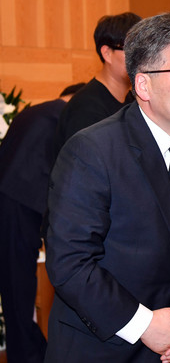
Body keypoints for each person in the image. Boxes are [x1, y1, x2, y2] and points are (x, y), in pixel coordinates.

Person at [44, 12, 170, 363]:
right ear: (143, 85)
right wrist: (143, 323)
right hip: (103, 346)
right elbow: (71, 262)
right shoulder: (93, 150)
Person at [0, 82, 84, 363]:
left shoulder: (34, 112)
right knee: (20, 293)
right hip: (22, 206)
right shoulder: (64, 116)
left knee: (15, 294)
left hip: (9, 202)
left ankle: (28, 353)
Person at [53, 11, 141, 156]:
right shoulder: (85, 108)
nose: (140, 59)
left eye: (142, 51)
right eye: (132, 50)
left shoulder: (133, 100)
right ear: (107, 53)